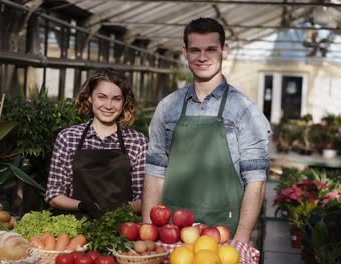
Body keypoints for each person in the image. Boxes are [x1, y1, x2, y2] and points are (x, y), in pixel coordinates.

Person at [142, 17, 272, 246]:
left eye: (211, 49)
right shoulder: (168, 107)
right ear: (185, 53)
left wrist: (241, 239)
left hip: (225, 235)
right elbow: (154, 173)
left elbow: (256, 182)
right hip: (170, 234)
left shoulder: (244, 110)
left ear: (225, 51)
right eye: (195, 50)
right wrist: (148, 232)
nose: (202, 57)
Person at [45, 68, 148, 219]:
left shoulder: (137, 142)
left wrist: (117, 211)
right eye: (102, 97)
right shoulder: (68, 137)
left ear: (124, 102)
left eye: (116, 99)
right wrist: (82, 205)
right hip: (76, 227)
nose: (108, 105)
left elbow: (144, 199)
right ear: (90, 98)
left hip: (123, 227)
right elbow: (53, 195)